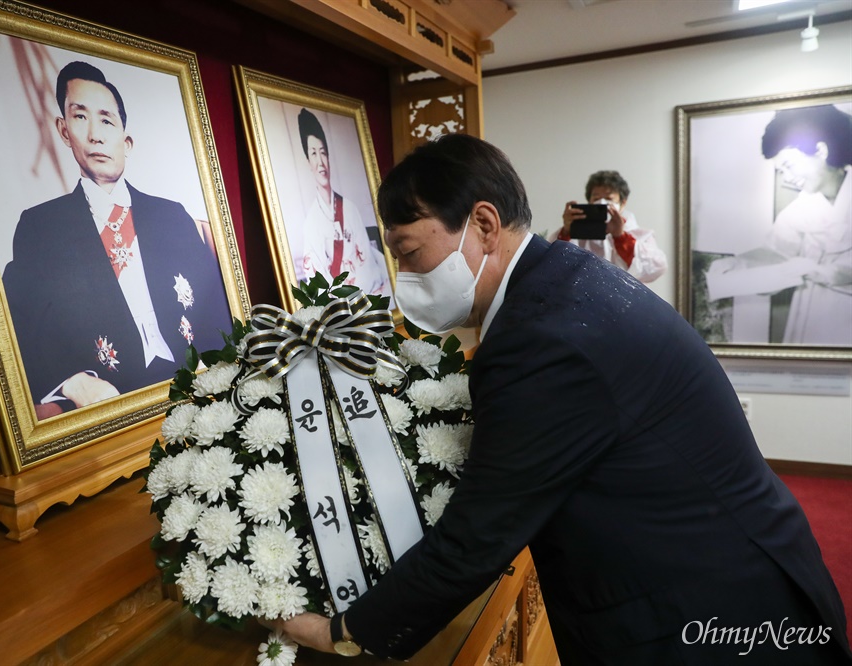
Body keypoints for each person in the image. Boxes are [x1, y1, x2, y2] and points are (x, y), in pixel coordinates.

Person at [273, 134, 850, 664]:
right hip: (744, 562)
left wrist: (344, 631)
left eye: (409, 252)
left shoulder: (538, 340)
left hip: (710, 616)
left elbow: (477, 536)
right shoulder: (565, 277)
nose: (404, 276)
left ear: (482, 224)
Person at [2, 61, 232, 416]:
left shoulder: (172, 215)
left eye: (107, 120)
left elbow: (215, 310)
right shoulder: (40, 227)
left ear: (126, 141)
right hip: (113, 399)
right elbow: (19, 327)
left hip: (195, 387)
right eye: (81, 117)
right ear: (64, 131)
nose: (96, 134)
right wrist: (75, 383)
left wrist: (214, 372)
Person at [706, 104, 851, 345]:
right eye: (781, 170)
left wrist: (822, 271)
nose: (787, 177)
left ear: (820, 150)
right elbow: (776, 251)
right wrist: (737, 263)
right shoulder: (804, 205)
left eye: (788, 166)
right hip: (812, 310)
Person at [296, 108, 390, 296]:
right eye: (313, 153)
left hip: (365, 295)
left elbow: (367, 264)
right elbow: (317, 281)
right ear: (308, 161)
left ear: (329, 157)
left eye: (323, 152)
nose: (320, 161)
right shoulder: (310, 224)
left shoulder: (349, 209)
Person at [552, 170, 667, 283]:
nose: (602, 202)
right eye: (596, 198)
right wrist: (567, 231)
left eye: (609, 198)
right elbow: (553, 263)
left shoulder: (641, 235)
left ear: (623, 203)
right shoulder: (576, 233)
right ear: (589, 201)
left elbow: (656, 268)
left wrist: (620, 237)